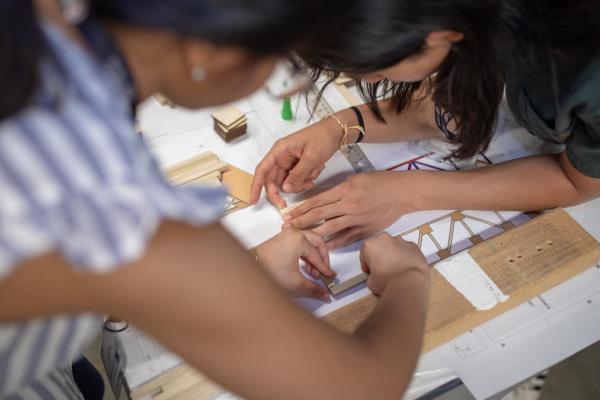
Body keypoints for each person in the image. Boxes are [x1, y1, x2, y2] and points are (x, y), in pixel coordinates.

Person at [0, 0, 432, 398]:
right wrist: (407, 276)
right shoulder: (106, 196)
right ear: (207, 52)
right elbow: (355, 388)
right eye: (284, 64)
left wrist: (249, 266)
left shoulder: (41, 18)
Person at [250, 0, 600, 249]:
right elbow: (445, 107)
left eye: (378, 70)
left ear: (439, 35)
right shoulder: (466, 16)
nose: (370, 82)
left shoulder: (583, 64)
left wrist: (408, 192)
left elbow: (578, 181)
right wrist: (339, 126)